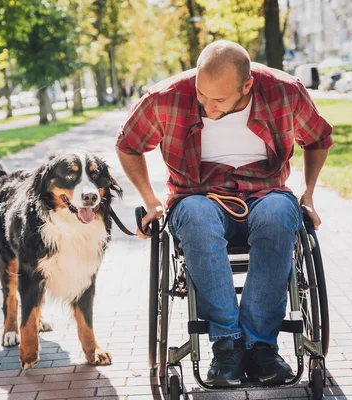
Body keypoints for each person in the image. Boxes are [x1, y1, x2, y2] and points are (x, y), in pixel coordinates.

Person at [116, 40, 333, 386]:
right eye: (201, 94)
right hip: (198, 195)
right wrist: (151, 200)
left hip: (265, 193)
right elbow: (128, 144)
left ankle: (261, 345)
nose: (206, 104)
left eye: (218, 100)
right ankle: (227, 345)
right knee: (197, 219)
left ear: (247, 86)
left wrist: (308, 192)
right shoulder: (166, 97)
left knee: (280, 213)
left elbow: (318, 137)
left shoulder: (284, 92)